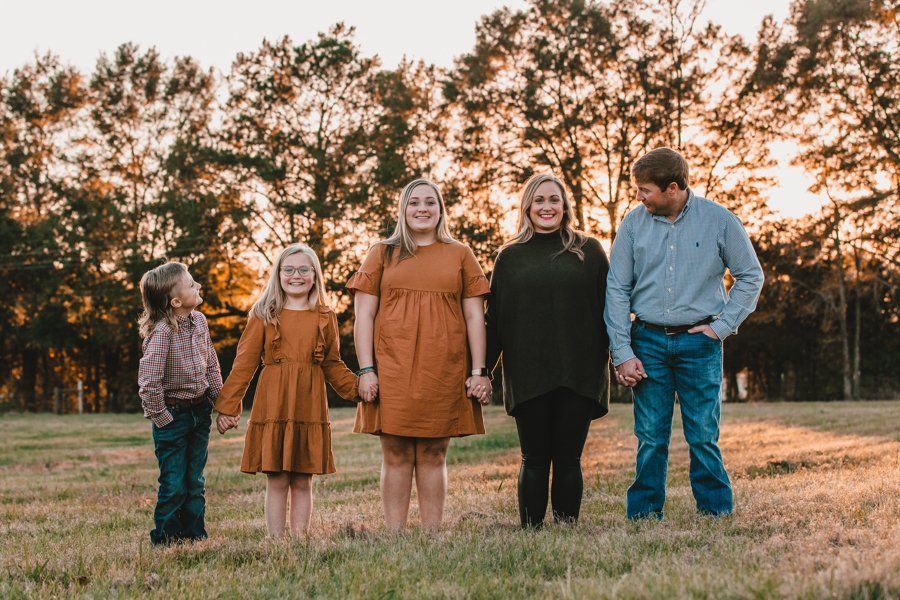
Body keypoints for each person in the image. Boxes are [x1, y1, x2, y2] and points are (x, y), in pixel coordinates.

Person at [604, 147, 764, 519]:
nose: (639, 197)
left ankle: (715, 511)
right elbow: (616, 289)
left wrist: (721, 327)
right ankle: (644, 515)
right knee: (650, 437)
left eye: (645, 190)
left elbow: (750, 275)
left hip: (699, 342)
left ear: (672, 188)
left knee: (703, 436)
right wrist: (623, 352)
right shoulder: (632, 225)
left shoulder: (720, 221)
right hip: (647, 340)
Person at [347, 178, 491, 531]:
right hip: (391, 368)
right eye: (414, 202)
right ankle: (395, 533)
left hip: (443, 368)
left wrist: (479, 370)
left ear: (441, 209)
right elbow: (363, 315)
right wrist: (366, 369)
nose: (422, 209)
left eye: (430, 202)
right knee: (395, 452)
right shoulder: (382, 252)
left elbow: (475, 316)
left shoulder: (460, 254)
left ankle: (432, 534)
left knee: (433, 452)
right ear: (403, 209)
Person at [485, 173, 610, 528]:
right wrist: (482, 371)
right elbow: (496, 321)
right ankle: (532, 530)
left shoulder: (590, 251)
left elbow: (611, 308)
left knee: (569, 457)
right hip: (528, 372)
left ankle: (567, 528)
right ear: (527, 207)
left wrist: (621, 353)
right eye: (539, 200)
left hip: (580, 370)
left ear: (565, 207)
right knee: (534, 457)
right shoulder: (509, 257)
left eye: (554, 200)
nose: (546, 207)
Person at [215, 244, 359, 537]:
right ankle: (276, 540)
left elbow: (332, 364)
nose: (296, 275)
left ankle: (299, 539)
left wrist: (359, 389)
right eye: (289, 269)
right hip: (274, 402)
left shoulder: (324, 316)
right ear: (278, 275)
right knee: (277, 478)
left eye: (304, 269)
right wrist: (228, 406)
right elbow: (244, 364)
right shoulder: (263, 313)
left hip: (308, 402)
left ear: (315, 275)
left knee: (303, 479)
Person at [138, 261, 222, 545]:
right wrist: (161, 417)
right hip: (172, 415)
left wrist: (218, 400)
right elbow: (149, 381)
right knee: (173, 484)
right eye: (190, 284)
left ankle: (195, 536)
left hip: (200, 411)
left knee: (195, 481)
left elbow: (210, 361)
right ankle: (165, 539)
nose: (197, 286)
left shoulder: (199, 321)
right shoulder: (162, 333)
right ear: (176, 301)